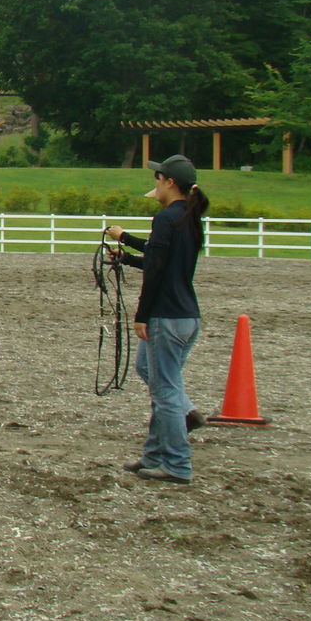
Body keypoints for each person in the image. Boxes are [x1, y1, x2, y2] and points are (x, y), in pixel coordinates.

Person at [106, 154, 210, 485]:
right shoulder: (189, 220)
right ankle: (155, 452)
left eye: (158, 179)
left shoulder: (166, 219)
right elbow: (157, 259)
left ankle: (177, 464)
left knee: (164, 389)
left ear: (169, 182)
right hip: (186, 316)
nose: (155, 185)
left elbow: (156, 270)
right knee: (150, 372)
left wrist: (142, 315)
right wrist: (126, 252)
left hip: (165, 315)